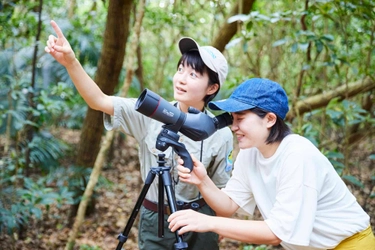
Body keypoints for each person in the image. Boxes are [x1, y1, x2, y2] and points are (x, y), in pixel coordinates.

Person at [45, 20, 233, 249]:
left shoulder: (220, 134)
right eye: (180, 69)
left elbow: (223, 188)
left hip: (200, 221)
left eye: (193, 75)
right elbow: (99, 100)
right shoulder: (152, 114)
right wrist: (70, 62)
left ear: (212, 88)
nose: (181, 78)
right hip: (156, 220)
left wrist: (222, 224)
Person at [168, 78, 375, 250]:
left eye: (240, 118)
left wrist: (209, 222)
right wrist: (203, 181)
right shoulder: (250, 153)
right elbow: (229, 205)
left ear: (269, 119)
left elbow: (277, 232)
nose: (234, 127)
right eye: (232, 119)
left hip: (349, 244)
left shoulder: (297, 155)